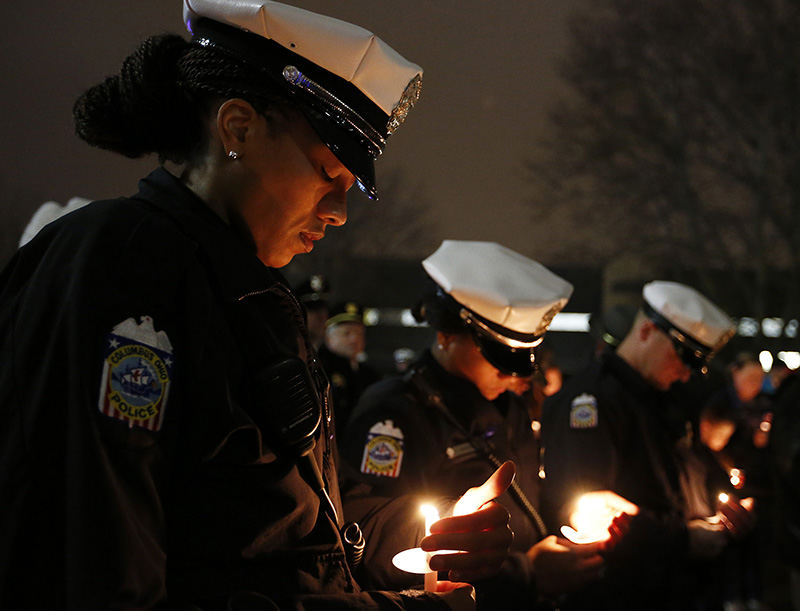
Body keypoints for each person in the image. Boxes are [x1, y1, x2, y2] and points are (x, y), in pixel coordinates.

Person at [0, 2, 515, 609]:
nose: (339, 212)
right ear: (238, 128)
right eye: (328, 172)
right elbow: (107, 570)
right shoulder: (122, 265)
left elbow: (304, 517)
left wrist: (429, 531)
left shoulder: (251, 291)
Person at [341, 240, 610, 610]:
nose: (509, 373)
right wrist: (525, 572)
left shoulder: (509, 405)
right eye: (498, 356)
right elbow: (376, 550)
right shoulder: (393, 414)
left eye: (519, 359)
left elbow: (528, 502)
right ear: (445, 334)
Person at [541, 280, 756, 610]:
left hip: (673, 586)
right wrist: (685, 539)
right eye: (682, 359)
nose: (686, 374)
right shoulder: (592, 401)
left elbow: (689, 469)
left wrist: (724, 505)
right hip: (619, 592)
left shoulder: (665, 399)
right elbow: (588, 509)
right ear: (646, 332)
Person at [319, 301, 382, 432]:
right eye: (346, 333)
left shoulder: (369, 374)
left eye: (359, 333)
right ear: (328, 337)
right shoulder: (319, 370)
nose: (354, 339)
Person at [295, 274, 331, 350]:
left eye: (323, 309)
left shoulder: (332, 358)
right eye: (313, 310)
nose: (321, 317)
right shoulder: (286, 352)